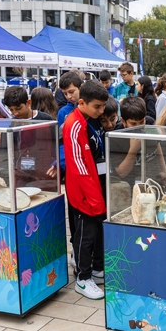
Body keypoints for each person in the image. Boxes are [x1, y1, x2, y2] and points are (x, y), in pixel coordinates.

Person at [63, 80, 110, 299]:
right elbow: (79, 166)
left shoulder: (85, 121)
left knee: (97, 232)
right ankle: (83, 278)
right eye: (97, 107)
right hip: (82, 193)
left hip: (92, 189)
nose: (101, 111)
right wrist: (94, 198)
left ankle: (97, 270)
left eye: (103, 106)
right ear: (82, 102)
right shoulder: (73, 124)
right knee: (84, 237)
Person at [3, 86, 56, 187]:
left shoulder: (45, 119)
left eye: (18, 108)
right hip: (21, 173)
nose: (15, 113)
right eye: (11, 109)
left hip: (44, 172)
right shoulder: (13, 123)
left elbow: (55, 144)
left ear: (28, 103)